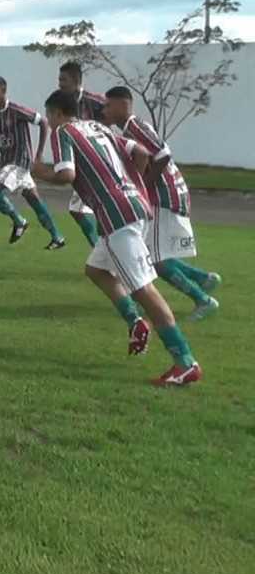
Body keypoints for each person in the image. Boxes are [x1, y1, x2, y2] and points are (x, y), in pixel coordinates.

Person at [31, 89, 201, 386]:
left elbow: (66, 175)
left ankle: (185, 362)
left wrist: (39, 172)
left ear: (56, 113)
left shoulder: (63, 132)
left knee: (143, 289)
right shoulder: (97, 127)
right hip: (134, 207)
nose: (48, 120)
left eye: (48, 115)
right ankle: (136, 322)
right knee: (95, 270)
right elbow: (141, 153)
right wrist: (134, 184)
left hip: (117, 215)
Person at [104, 86, 221, 321]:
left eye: (108, 105)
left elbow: (163, 153)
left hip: (164, 197)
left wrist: (142, 185)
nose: (105, 110)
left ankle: (203, 299)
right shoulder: (132, 128)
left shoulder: (135, 126)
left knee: (155, 260)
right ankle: (203, 279)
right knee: (153, 253)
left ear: (122, 104)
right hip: (164, 196)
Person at [0, 76, 65, 248]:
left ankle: (19, 221)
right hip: (8, 164)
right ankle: (57, 237)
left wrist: (38, 154)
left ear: (3, 91)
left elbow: (43, 122)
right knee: (35, 200)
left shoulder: (16, 110)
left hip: (19, 161)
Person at [57, 60, 107, 247]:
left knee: (81, 209)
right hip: (84, 167)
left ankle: (104, 253)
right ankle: (103, 251)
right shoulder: (63, 105)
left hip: (101, 165)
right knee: (81, 210)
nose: (60, 84)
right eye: (59, 79)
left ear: (76, 80)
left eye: (64, 80)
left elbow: (114, 124)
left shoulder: (96, 103)